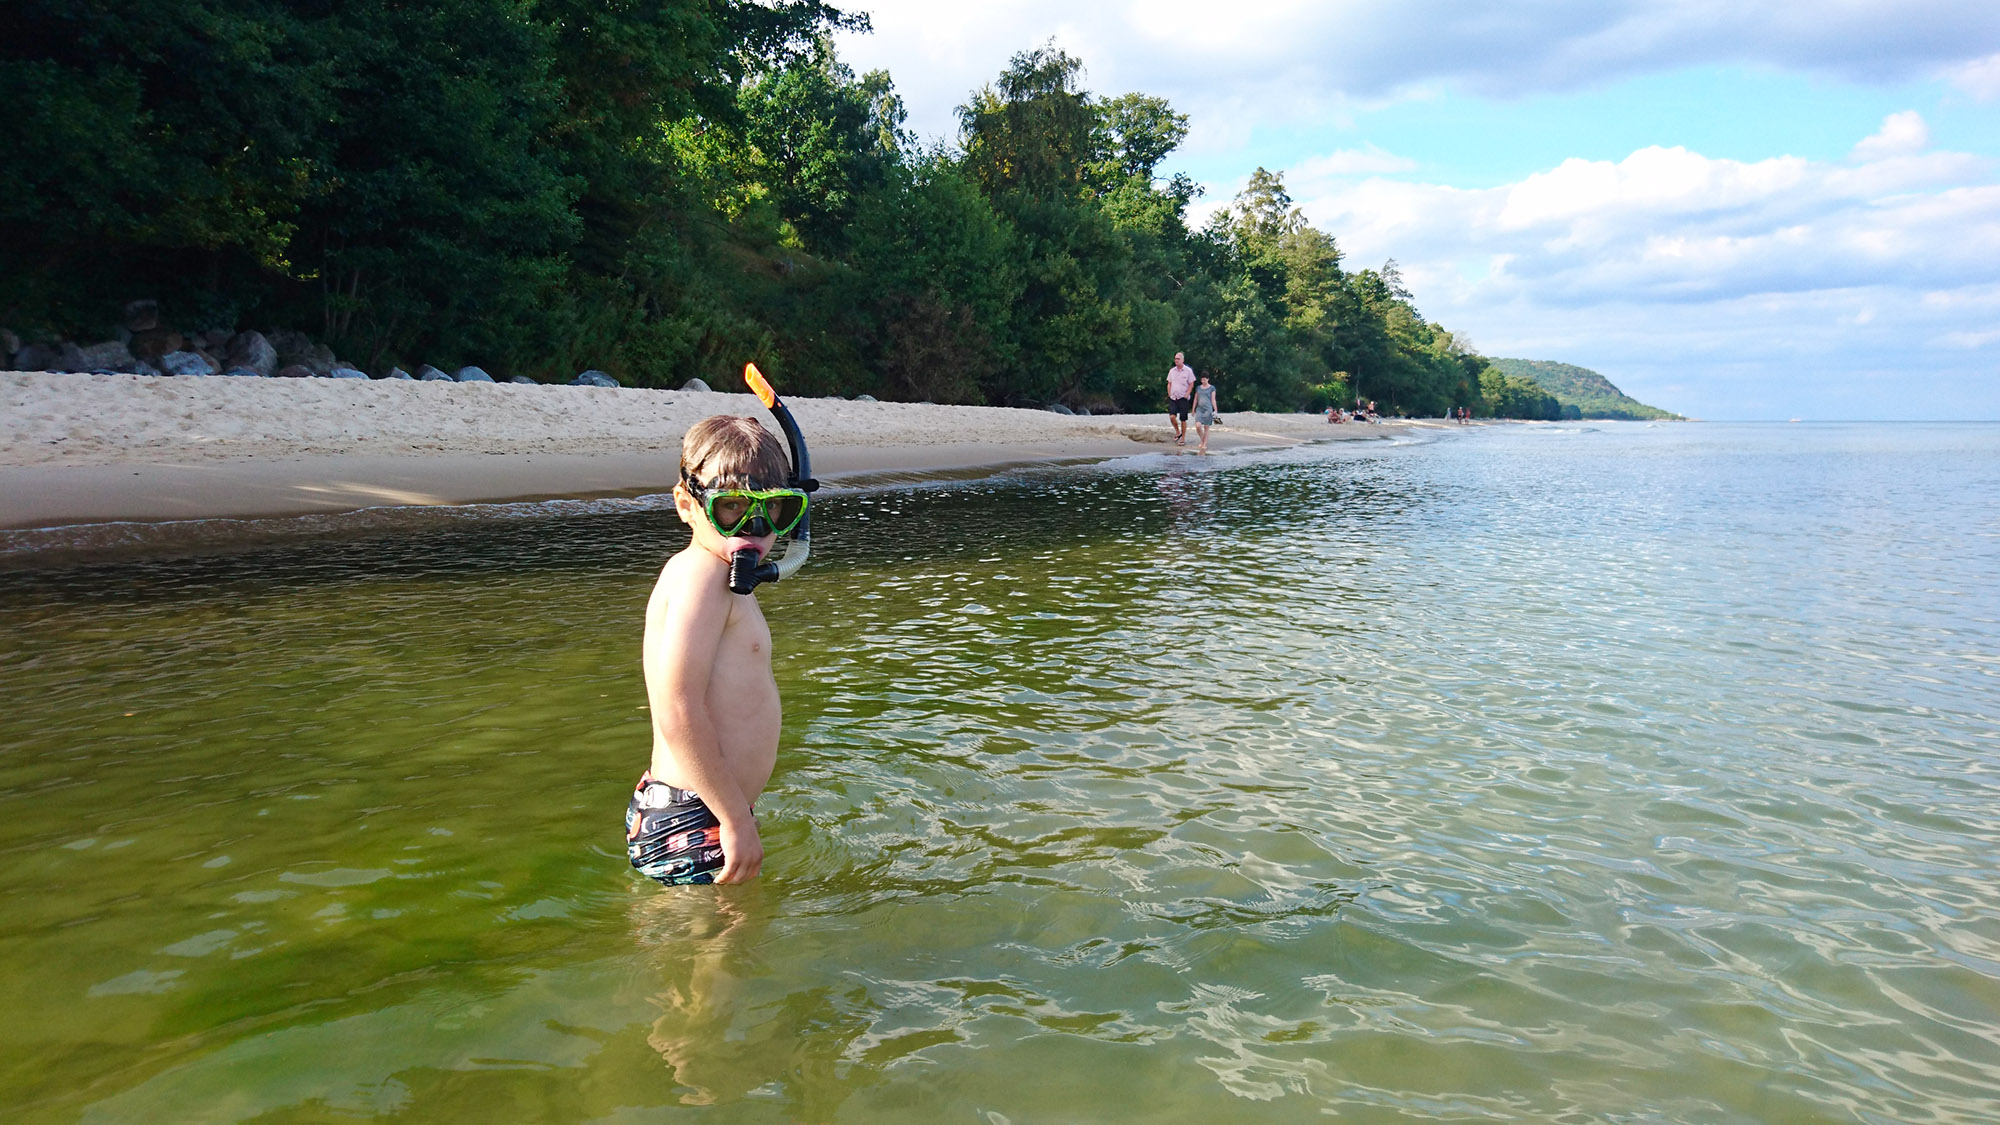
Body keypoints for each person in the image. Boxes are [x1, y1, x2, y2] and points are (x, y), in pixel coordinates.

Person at [625, 415, 809, 886]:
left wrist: (735, 813)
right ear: (686, 505)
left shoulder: (721, 581)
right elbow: (676, 705)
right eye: (732, 509)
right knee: (727, 952)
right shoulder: (701, 577)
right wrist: (733, 819)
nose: (755, 528)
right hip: (699, 815)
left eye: (776, 511)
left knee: (711, 946)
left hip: (705, 808)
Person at [1166, 352, 1196, 445]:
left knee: (1183, 419)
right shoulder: (1172, 371)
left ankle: (1183, 437)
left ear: (1182, 360)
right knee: (1172, 416)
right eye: (1175, 358)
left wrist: (1188, 393)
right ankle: (1178, 432)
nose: (1176, 360)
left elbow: (1191, 383)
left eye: (1178, 359)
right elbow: (1169, 383)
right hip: (1173, 397)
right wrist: (1169, 393)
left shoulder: (1188, 371)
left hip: (1183, 397)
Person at [1191, 374, 1218, 454]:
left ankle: (1204, 443)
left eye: (1204, 380)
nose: (1203, 381)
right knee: (1198, 426)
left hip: (1208, 409)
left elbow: (1213, 399)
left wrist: (1215, 409)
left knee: (1206, 427)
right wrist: (1193, 409)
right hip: (1199, 409)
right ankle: (1202, 439)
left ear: (1208, 379)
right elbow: (1195, 399)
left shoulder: (1212, 388)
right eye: (1202, 380)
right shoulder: (1198, 388)